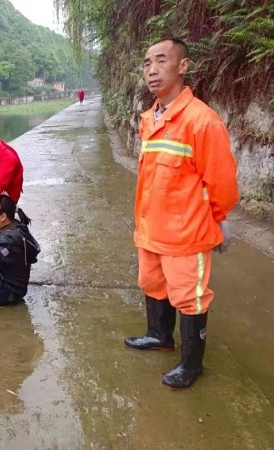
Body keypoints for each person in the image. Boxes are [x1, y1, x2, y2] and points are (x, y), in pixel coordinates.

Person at [125, 37, 239, 389]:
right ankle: (159, 334)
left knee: (189, 296)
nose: (152, 70)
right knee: (153, 284)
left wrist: (216, 220)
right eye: (146, 63)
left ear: (183, 66)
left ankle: (191, 364)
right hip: (150, 228)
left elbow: (221, 184)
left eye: (161, 61)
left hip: (187, 233)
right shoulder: (150, 118)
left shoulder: (202, 121)